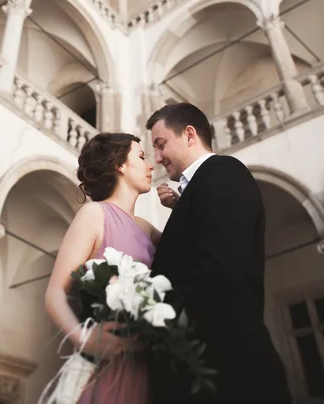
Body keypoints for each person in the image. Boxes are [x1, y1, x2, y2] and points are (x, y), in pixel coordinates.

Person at [146, 103, 293, 404]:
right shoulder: (202, 186)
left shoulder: (223, 172)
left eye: (161, 145)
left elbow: (221, 269)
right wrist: (182, 207)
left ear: (189, 134)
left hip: (227, 370)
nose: (158, 158)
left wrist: (156, 319)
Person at [42, 132, 160, 404]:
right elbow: (55, 294)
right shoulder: (95, 215)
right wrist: (84, 339)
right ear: (120, 165)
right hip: (110, 364)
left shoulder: (147, 229)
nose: (151, 165)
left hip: (151, 363)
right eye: (141, 157)